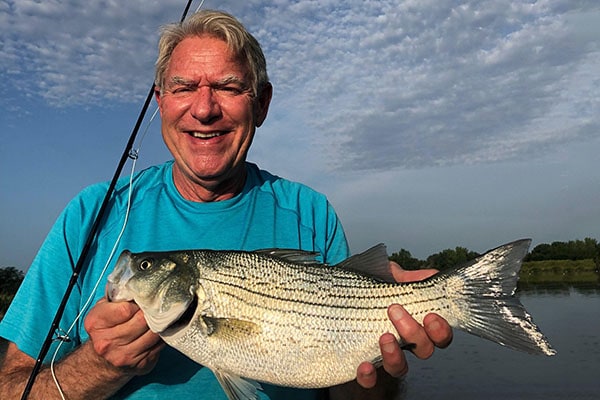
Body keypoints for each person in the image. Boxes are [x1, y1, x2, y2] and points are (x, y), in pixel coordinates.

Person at [0, 10, 452, 400]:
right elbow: (10, 388)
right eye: (182, 88)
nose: (203, 109)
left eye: (228, 87)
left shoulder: (310, 212)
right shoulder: (91, 215)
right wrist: (99, 367)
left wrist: (379, 367)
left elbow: (349, 390)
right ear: (160, 102)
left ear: (262, 104)